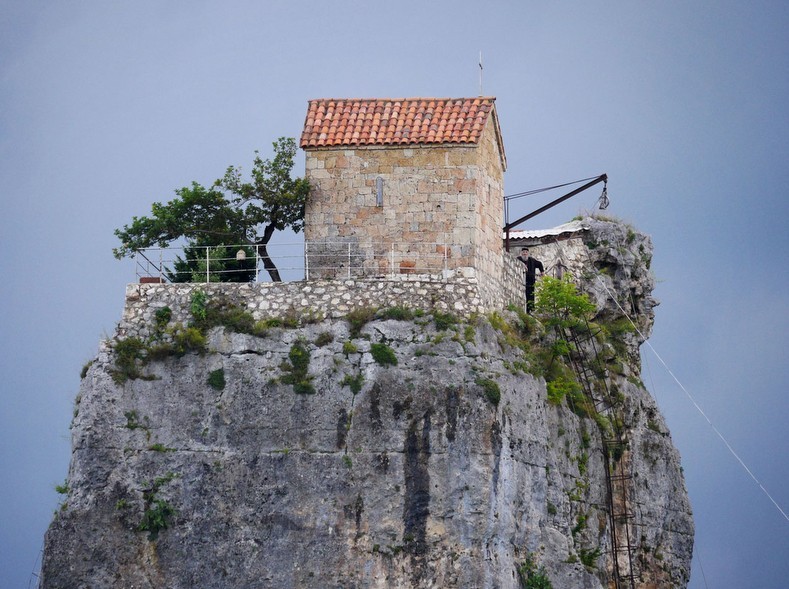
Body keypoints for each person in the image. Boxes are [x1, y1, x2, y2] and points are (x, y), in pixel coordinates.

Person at [517, 247, 544, 313]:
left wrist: (542, 272)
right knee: (523, 296)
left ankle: (530, 310)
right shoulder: (518, 259)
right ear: (521, 253)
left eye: (526, 252)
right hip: (521, 281)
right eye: (523, 252)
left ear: (528, 253)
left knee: (531, 295)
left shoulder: (532, 260)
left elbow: (539, 264)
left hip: (531, 281)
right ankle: (524, 310)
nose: (525, 253)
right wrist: (523, 266)